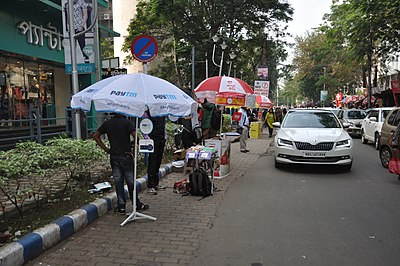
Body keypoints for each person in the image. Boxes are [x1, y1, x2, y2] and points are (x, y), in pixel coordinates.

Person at [93, 113, 149, 215]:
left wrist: (106, 149)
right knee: (131, 182)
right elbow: (135, 136)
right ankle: (136, 204)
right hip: (126, 156)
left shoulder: (107, 123)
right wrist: (135, 147)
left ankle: (121, 206)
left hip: (114, 157)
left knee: (118, 182)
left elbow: (96, 136)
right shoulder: (127, 123)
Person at [146, 112, 167, 195]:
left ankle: (156, 184)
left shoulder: (161, 113)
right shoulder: (148, 113)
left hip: (161, 139)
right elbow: (145, 125)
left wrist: (164, 136)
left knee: (158, 162)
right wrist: (147, 138)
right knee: (152, 162)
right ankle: (151, 185)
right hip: (153, 140)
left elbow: (164, 126)